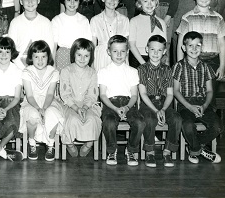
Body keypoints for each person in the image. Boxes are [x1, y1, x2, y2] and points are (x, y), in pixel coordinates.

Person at [172, 31, 222, 164]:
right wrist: (189, 106)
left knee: (217, 127)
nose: (194, 49)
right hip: (185, 104)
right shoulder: (178, 67)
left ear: (202, 47)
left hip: (203, 104)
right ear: (184, 48)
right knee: (187, 125)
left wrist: (204, 106)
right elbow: (176, 91)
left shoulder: (206, 67)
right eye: (190, 46)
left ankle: (195, 148)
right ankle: (198, 149)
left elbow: (210, 91)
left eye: (198, 45)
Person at [98, 35, 145, 166]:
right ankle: (112, 151)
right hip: (110, 104)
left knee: (140, 122)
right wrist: (115, 109)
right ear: (108, 52)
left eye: (122, 51)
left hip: (128, 103)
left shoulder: (132, 71)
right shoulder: (103, 72)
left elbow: (134, 96)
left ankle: (131, 150)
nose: (119, 54)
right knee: (109, 122)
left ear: (127, 52)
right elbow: (102, 95)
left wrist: (127, 107)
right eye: (115, 51)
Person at [138, 35, 182, 168]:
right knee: (150, 120)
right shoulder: (142, 69)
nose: (156, 53)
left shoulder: (168, 70)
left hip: (164, 103)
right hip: (148, 103)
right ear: (147, 49)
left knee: (176, 119)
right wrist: (156, 110)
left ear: (164, 52)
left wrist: (163, 109)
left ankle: (167, 151)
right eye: (152, 49)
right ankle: (150, 152)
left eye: (159, 50)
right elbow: (143, 94)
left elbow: (170, 94)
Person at [19, 40, 64, 162]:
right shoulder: (27, 72)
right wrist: (38, 109)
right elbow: (29, 95)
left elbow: (50, 94)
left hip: (48, 101)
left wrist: (44, 108)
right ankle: (32, 143)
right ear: (31, 58)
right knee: (32, 115)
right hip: (31, 102)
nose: (40, 60)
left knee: (52, 114)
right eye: (36, 57)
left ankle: (50, 145)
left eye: (43, 57)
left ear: (48, 57)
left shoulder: (54, 72)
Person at [176, 0, 225, 81]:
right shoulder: (187, 17)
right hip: (192, 62)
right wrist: (180, 67)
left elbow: (222, 44)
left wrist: (222, 66)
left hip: (213, 62)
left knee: (210, 94)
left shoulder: (219, 18)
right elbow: (180, 44)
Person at [59, 38, 102, 158]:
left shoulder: (93, 73)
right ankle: (70, 144)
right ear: (73, 54)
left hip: (88, 105)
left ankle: (89, 144)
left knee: (92, 120)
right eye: (79, 55)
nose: (82, 59)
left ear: (91, 56)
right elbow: (65, 93)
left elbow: (92, 94)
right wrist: (77, 108)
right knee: (72, 120)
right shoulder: (66, 71)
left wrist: (84, 107)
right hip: (70, 104)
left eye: (86, 56)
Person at [8, 0, 54, 70]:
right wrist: (22, 67)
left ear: (38, 0)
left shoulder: (46, 22)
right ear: (21, 1)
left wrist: (39, 66)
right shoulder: (15, 23)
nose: (30, 2)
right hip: (18, 67)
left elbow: (49, 48)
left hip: (41, 66)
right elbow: (12, 49)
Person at [51, 0, 92, 70]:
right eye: (69, 0)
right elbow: (53, 46)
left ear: (79, 1)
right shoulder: (57, 20)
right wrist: (53, 65)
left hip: (80, 56)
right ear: (63, 0)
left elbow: (88, 45)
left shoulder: (84, 20)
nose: (72, 3)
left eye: (75, 0)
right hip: (62, 56)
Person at [90, 0, 129, 71]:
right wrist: (92, 65)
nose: (112, 0)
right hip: (101, 58)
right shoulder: (95, 20)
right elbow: (92, 45)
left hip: (119, 57)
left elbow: (126, 45)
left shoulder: (124, 20)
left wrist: (127, 64)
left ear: (119, 1)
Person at [128, 0, 166, 68]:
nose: (149, 4)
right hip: (136, 59)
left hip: (155, 59)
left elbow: (163, 46)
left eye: (152, 0)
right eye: (145, 1)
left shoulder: (161, 23)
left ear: (156, 2)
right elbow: (131, 45)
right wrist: (144, 64)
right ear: (140, 3)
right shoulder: (134, 21)